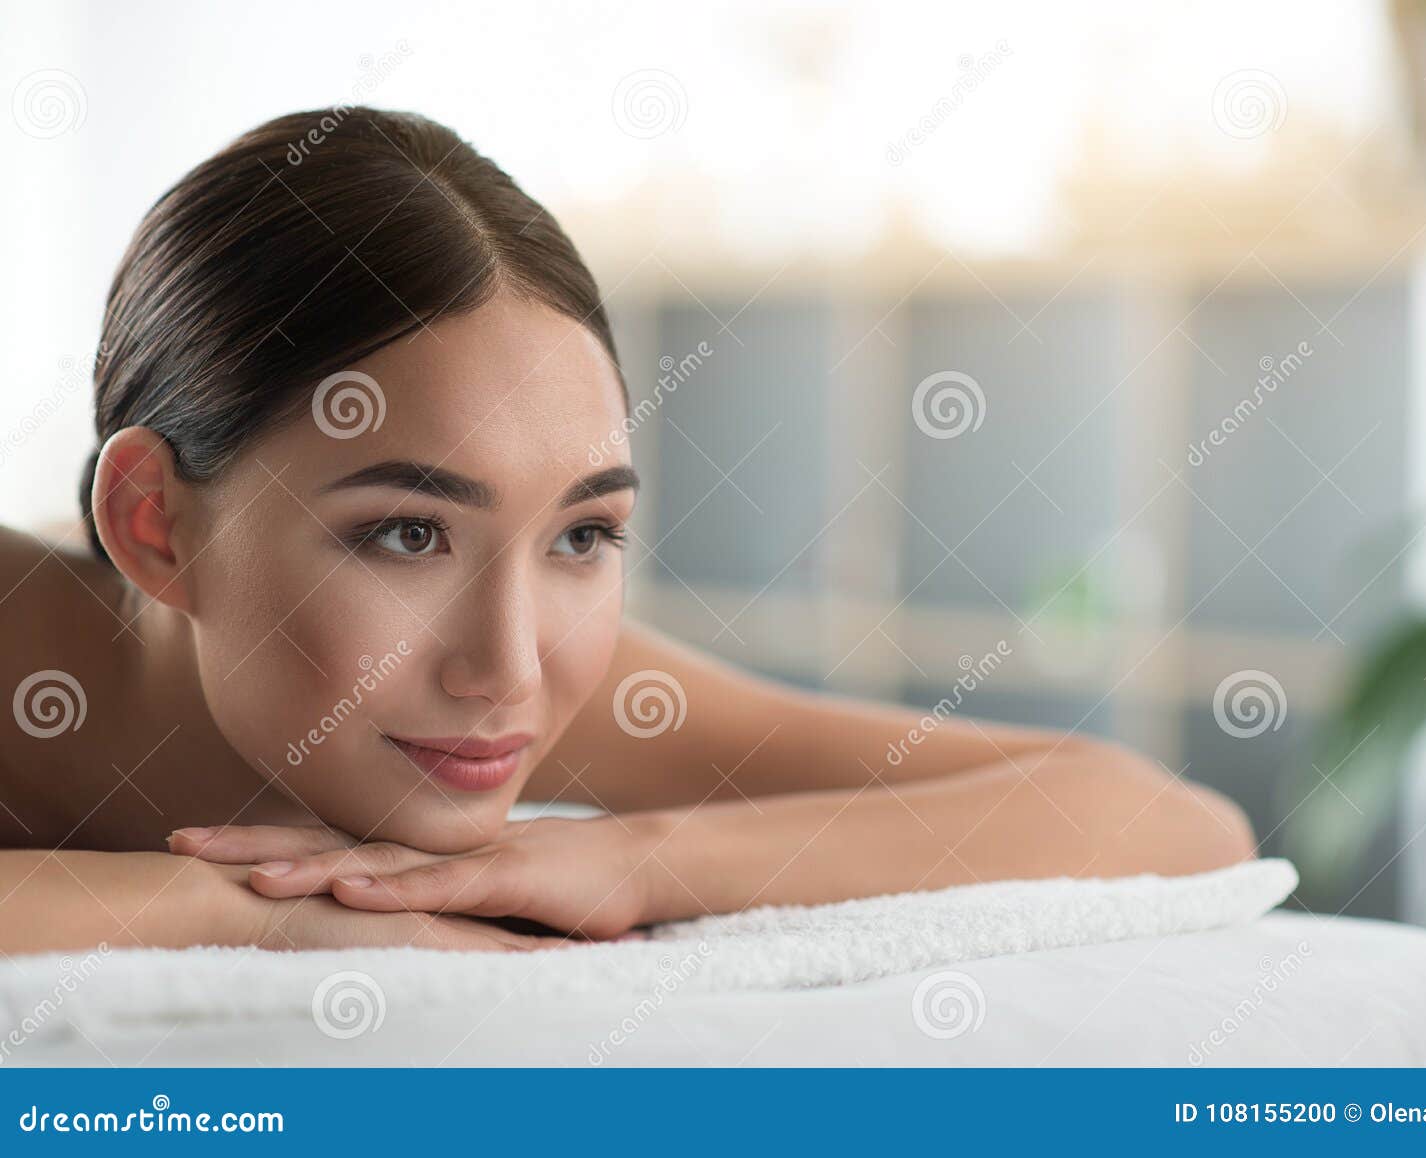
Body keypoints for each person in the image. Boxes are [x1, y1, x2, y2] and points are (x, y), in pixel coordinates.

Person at [0, 108, 1254, 955]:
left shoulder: (519, 699)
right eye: (404, 535)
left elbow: (1170, 824)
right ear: (154, 524)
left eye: (581, 537)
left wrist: (642, 862)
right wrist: (251, 910)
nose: (511, 667)